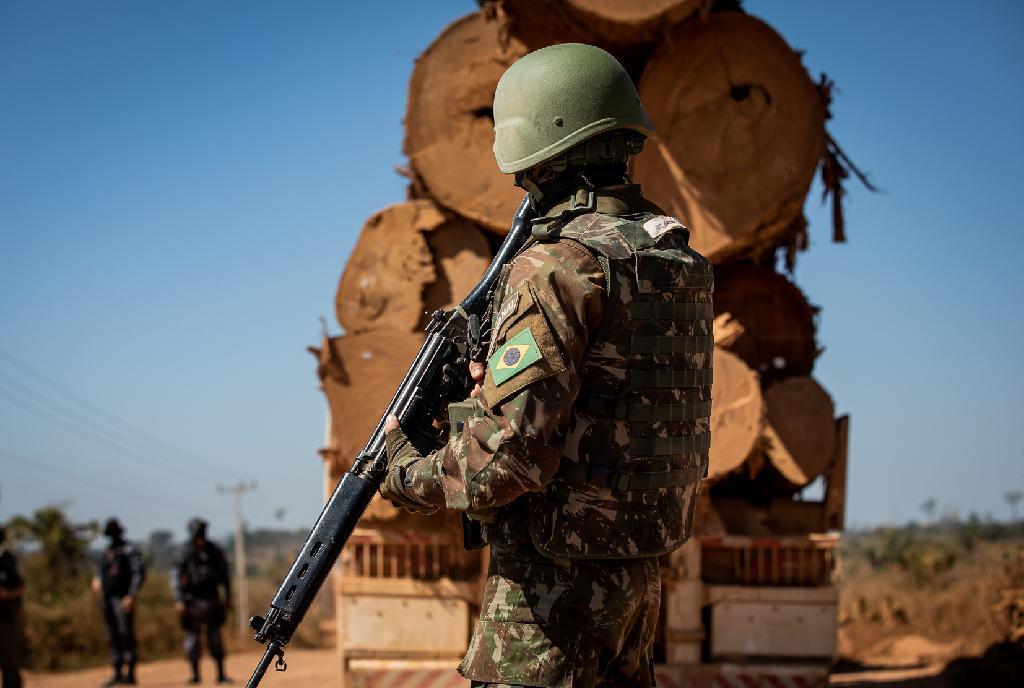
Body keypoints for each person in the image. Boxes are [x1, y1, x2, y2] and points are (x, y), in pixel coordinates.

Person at [379, 43, 713, 687]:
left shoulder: (558, 265)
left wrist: (404, 472)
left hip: (551, 606)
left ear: (539, 147)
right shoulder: (673, 260)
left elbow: (506, 463)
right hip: (636, 582)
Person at [173, 518, 231, 684]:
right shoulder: (183, 551)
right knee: (192, 639)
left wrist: (227, 597)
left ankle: (221, 674)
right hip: (191, 600)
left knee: (215, 639)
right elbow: (176, 577)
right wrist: (178, 599)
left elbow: (224, 575)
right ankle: (195, 675)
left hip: (211, 599)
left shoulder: (214, 550)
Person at [91, 518, 145, 686]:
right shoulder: (107, 552)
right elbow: (101, 571)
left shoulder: (129, 549)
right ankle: (117, 673)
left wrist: (131, 595)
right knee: (112, 635)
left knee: (126, 634)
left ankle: (130, 674)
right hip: (107, 599)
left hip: (122, 599)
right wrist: (97, 580)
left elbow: (138, 573)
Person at [0, 527, 24, 688]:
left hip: (5, 619)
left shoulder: (6, 560)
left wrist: (5, 595)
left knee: (9, 663)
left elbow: (20, 587)